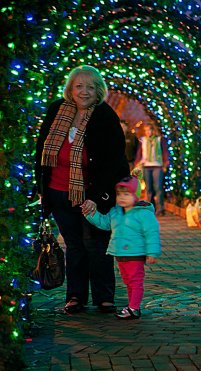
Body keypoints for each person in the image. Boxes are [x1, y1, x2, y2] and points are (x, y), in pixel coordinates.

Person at [35, 65, 129, 314]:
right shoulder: (57, 110)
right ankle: (75, 297)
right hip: (58, 191)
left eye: (90, 86)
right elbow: (41, 150)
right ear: (70, 89)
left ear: (98, 90)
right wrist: (42, 188)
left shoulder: (104, 116)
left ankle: (104, 297)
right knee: (74, 245)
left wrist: (98, 198)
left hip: (91, 195)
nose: (84, 91)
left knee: (96, 245)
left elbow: (115, 161)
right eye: (79, 86)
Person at [81, 169, 161, 320]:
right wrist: (90, 214)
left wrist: (152, 252)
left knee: (135, 281)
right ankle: (132, 306)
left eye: (127, 194)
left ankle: (134, 308)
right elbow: (104, 223)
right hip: (121, 255)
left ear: (135, 195)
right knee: (128, 281)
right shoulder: (115, 212)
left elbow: (152, 233)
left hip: (135, 254)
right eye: (119, 194)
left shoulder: (143, 213)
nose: (122, 198)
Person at [135, 123, 169, 216]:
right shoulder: (143, 140)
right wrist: (137, 163)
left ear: (153, 131)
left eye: (149, 130)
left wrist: (165, 163)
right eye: (146, 130)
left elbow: (165, 151)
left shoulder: (159, 140)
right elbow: (140, 153)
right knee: (149, 188)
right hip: (146, 166)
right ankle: (151, 208)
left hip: (157, 165)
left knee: (158, 187)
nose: (148, 132)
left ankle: (161, 208)